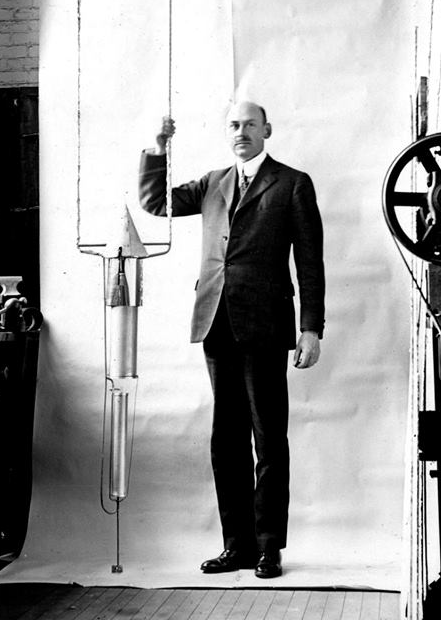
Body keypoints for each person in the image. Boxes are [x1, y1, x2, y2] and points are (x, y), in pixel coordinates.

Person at [139, 100, 325, 579]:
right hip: (216, 322)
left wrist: (311, 328)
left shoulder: (292, 183)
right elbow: (156, 203)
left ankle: (268, 547)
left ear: (268, 129)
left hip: (265, 325)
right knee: (225, 439)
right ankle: (236, 545)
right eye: (233, 126)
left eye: (249, 125)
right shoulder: (212, 181)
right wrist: (157, 149)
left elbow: (309, 263)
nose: (241, 132)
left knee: (268, 437)